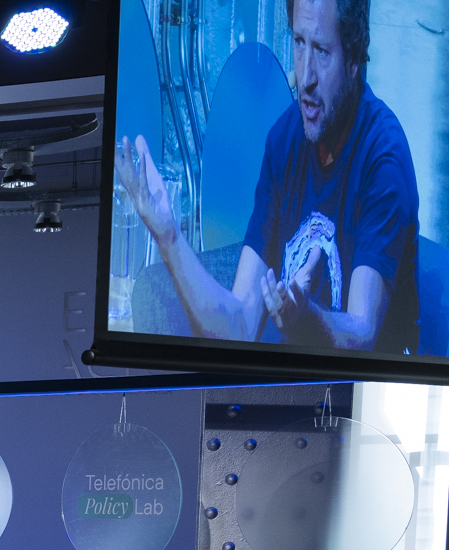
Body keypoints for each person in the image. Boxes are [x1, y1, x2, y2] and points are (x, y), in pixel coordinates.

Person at [116, 0, 419, 353]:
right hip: (288, 388)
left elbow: (363, 333)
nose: (305, 77)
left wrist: (307, 317)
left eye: (321, 50)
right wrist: (168, 238)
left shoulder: (383, 157)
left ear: (353, 60)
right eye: (299, 43)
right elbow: (240, 327)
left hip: (364, 396)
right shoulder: (285, 139)